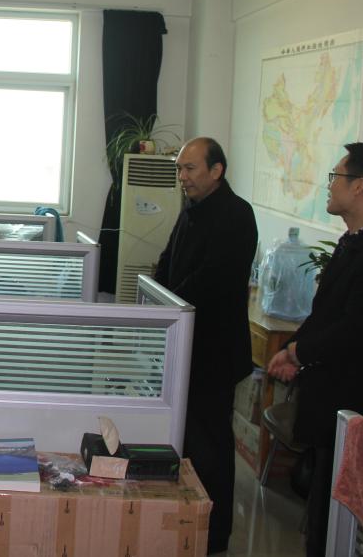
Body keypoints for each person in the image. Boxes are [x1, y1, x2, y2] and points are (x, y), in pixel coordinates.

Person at [268, 142, 363, 557]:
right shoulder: (355, 240)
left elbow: (355, 329)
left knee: (340, 527)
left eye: (336, 176)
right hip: (332, 407)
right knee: (321, 517)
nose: (329, 185)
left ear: (359, 186)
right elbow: (326, 313)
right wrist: (294, 349)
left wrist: (298, 354)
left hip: (359, 411)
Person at [153, 137, 257, 555]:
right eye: (179, 169)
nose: (182, 176)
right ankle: (185, 523)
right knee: (188, 441)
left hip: (214, 352)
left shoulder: (236, 214)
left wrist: (170, 306)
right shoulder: (191, 209)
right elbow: (168, 261)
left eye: (190, 168)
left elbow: (212, 279)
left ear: (217, 170)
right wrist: (155, 298)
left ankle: (213, 537)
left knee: (211, 446)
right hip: (184, 344)